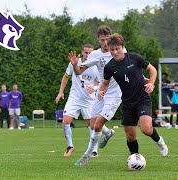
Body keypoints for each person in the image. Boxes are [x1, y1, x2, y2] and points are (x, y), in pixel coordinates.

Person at [74, 33, 168, 165]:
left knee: (146, 129)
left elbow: (152, 70)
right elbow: (105, 82)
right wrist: (101, 91)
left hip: (142, 98)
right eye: (112, 50)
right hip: (127, 102)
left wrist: (151, 83)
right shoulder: (110, 67)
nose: (115, 52)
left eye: (117, 49)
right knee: (130, 136)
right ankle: (135, 160)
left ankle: (159, 141)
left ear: (122, 47)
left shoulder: (135, 58)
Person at [69, 26, 121, 165]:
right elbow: (79, 71)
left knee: (97, 124)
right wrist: (75, 65)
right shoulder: (95, 55)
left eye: (107, 39)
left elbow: (130, 64)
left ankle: (87, 155)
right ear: (98, 39)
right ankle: (108, 133)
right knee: (92, 124)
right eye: (102, 40)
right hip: (101, 92)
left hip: (115, 93)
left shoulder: (117, 51)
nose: (105, 43)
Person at [56, 44, 100, 157]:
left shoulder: (96, 66)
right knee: (66, 121)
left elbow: (100, 82)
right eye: (86, 52)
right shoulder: (75, 62)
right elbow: (66, 76)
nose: (88, 54)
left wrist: (94, 88)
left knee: (92, 125)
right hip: (74, 98)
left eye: (90, 52)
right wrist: (61, 92)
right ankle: (70, 146)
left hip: (89, 100)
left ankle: (94, 150)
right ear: (82, 52)